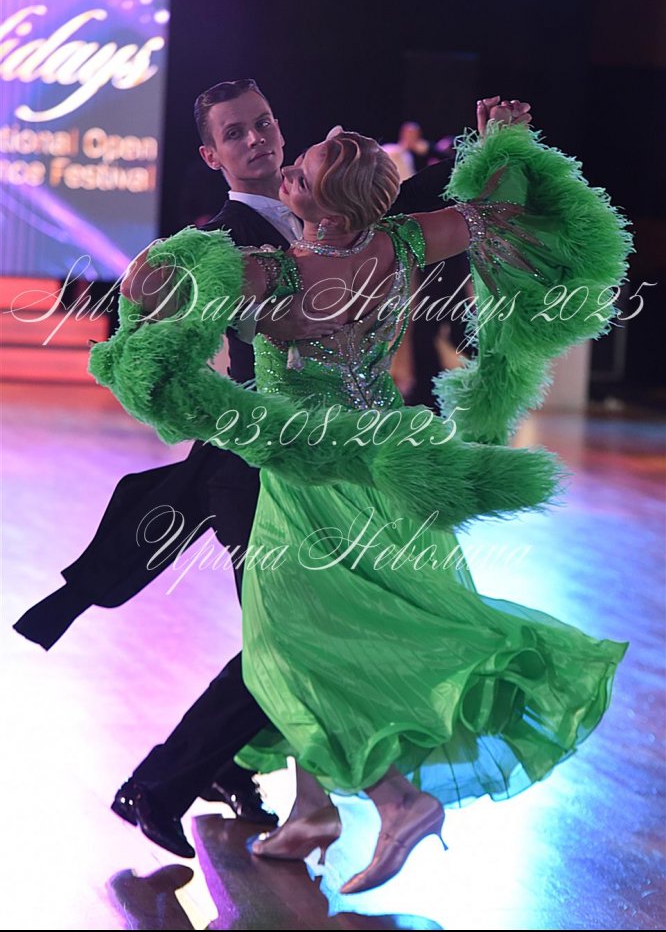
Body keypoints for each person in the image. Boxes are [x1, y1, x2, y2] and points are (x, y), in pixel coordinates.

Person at [109, 98, 630, 894]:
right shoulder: (404, 241)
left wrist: (159, 267)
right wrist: (502, 143)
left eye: (302, 169)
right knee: (361, 628)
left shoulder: (274, 274)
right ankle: (313, 808)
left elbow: (149, 288)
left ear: (321, 205)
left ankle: (398, 801)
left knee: (292, 651)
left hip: (310, 477)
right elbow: (496, 212)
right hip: (392, 465)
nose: (288, 166)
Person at [13, 79, 463, 859]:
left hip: (335, 465)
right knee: (291, 633)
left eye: (263, 123)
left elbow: (412, 210)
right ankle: (173, 785)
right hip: (251, 467)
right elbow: (158, 315)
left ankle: (280, 790)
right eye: (235, 132)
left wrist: (485, 150)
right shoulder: (217, 242)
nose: (256, 139)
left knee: (302, 630)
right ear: (210, 154)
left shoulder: (331, 208)